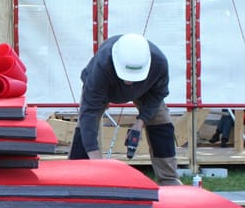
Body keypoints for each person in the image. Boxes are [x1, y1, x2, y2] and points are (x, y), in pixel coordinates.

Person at [68, 33, 182, 185]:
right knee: (85, 127)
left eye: (133, 77)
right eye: (126, 76)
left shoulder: (159, 63)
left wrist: (140, 123)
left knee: (162, 125)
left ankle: (169, 180)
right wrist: (96, 159)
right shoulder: (102, 65)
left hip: (145, 91)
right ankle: (76, 179)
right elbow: (89, 112)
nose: (129, 81)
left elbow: (158, 95)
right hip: (105, 88)